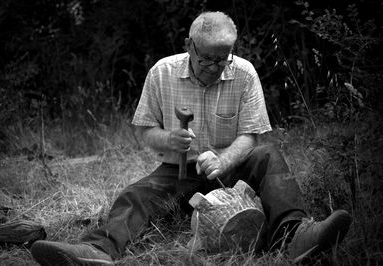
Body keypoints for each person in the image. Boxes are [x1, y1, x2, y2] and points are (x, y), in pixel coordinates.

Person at [31, 11, 352, 265]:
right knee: (136, 195)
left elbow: (250, 136)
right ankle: (98, 251)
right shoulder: (161, 72)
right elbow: (144, 129)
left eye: (222, 58)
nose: (214, 67)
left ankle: (296, 236)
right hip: (178, 171)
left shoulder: (244, 73)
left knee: (268, 155)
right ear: (189, 45)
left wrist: (224, 160)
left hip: (231, 170)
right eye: (206, 59)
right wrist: (167, 139)